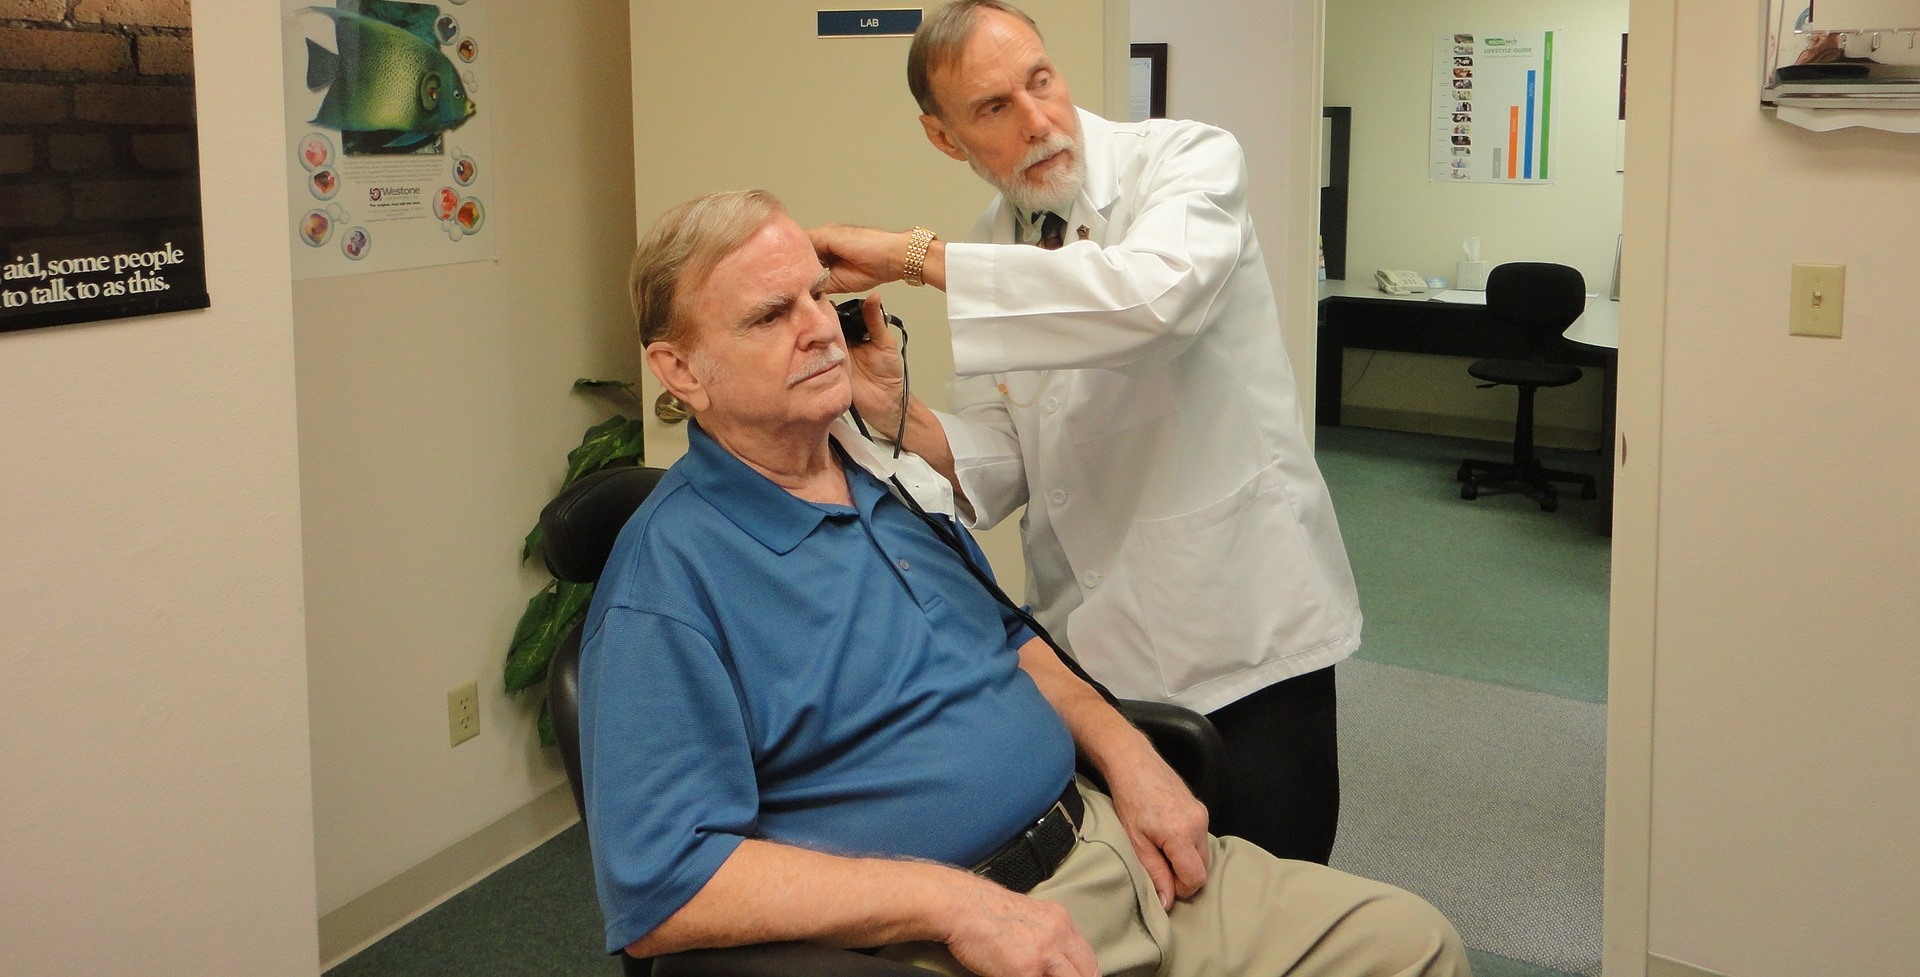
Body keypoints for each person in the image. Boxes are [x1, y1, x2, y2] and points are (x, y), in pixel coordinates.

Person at [577, 188, 1470, 977]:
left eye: (817, 293)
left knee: (1413, 944)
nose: (816, 326)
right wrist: (952, 905)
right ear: (679, 370)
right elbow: (666, 885)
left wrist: (1130, 756)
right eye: (771, 315)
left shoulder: (882, 476)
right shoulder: (667, 584)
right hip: (957, 935)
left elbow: (1009, 640)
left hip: (1109, 848)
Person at [808, 0, 1360, 863]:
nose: (1037, 121)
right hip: (1095, 650)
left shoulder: (1186, 160)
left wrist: (911, 256)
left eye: (1041, 81)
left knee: (1272, 891)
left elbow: (1149, 302)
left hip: (1240, 630)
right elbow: (1004, 462)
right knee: (1151, 895)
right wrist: (894, 412)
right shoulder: (998, 243)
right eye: (995, 107)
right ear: (945, 138)